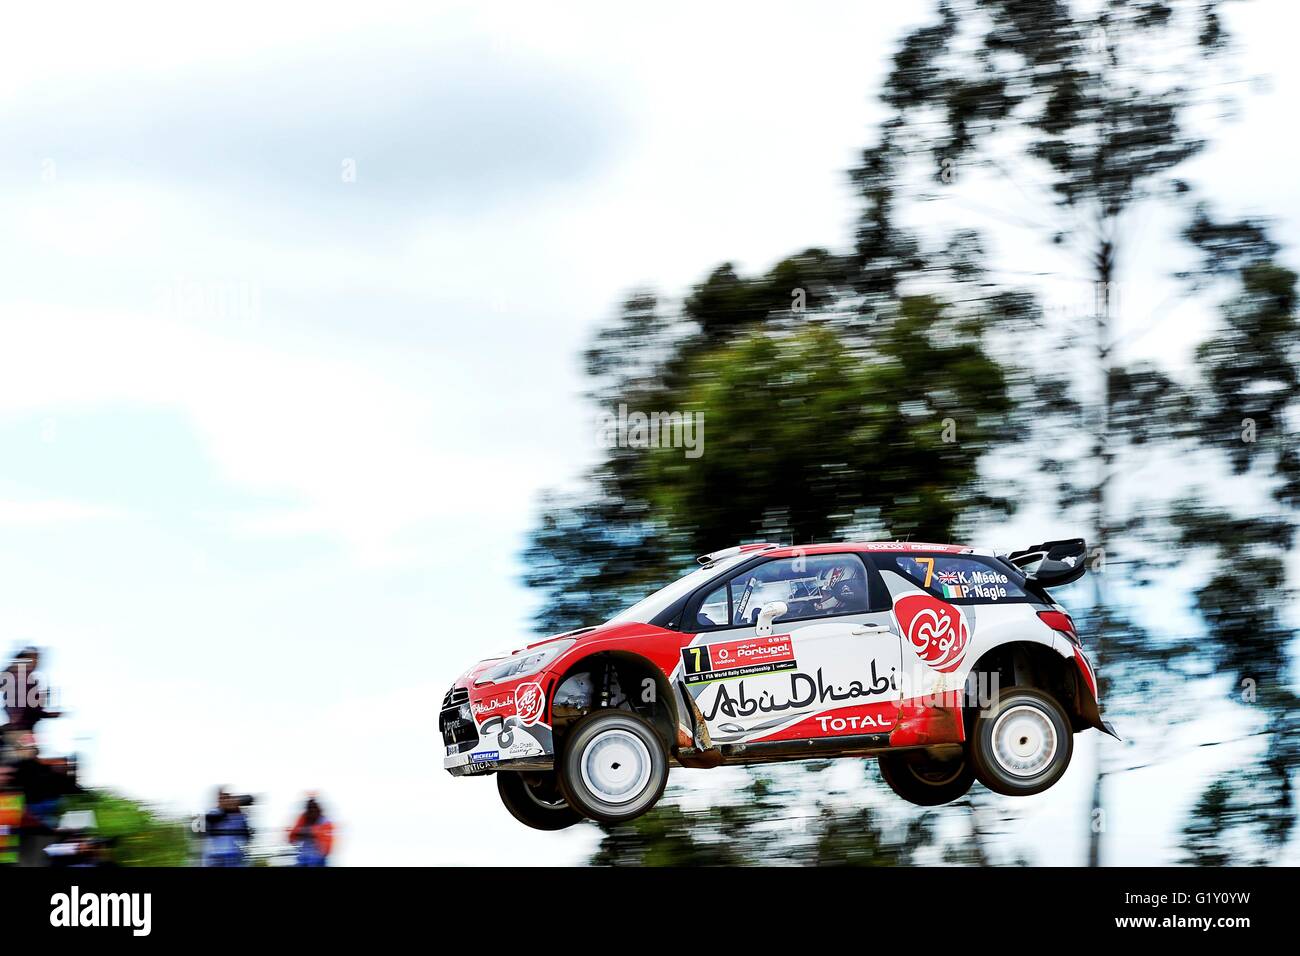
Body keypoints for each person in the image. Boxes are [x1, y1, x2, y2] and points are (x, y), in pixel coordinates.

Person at [2, 647, 61, 741]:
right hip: (20, 730)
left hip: (21, 729)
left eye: (36, 659)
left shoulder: (27, 679)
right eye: (33, 658)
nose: (36, 662)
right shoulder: (21, 677)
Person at [203, 788, 254, 867]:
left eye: (228, 798)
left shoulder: (238, 815)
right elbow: (211, 820)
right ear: (219, 801)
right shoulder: (213, 812)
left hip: (234, 856)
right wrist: (224, 810)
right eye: (223, 799)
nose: (227, 801)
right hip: (216, 857)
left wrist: (237, 811)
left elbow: (247, 837)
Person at [287, 796, 334, 867]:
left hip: (319, 859)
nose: (312, 810)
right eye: (309, 808)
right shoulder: (303, 819)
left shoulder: (324, 821)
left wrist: (309, 833)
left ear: (318, 808)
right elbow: (292, 837)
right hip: (304, 858)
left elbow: (326, 845)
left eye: (314, 807)